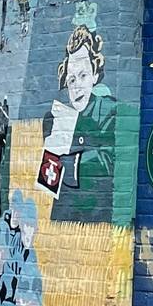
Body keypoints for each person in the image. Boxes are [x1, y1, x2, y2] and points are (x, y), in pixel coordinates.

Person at [44, 24, 116, 223]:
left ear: (94, 74)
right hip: (64, 221)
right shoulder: (55, 119)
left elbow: (109, 160)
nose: (76, 86)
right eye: (71, 80)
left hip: (97, 220)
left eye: (83, 75)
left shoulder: (107, 111)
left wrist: (69, 162)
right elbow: (50, 177)